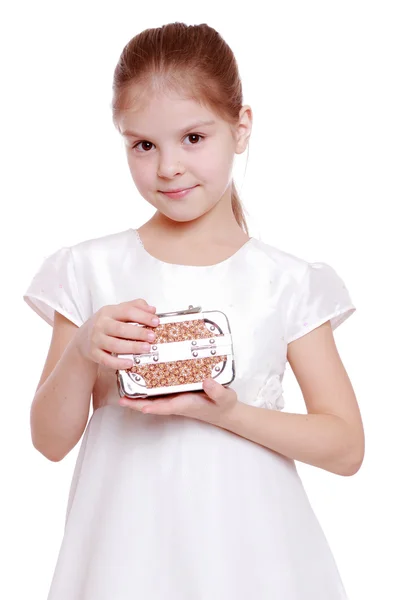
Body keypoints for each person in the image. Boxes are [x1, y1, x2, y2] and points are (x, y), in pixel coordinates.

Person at [23, 21, 364, 600]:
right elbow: (49, 441)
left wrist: (225, 413)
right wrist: (84, 351)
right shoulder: (88, 271)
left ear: (241, 127)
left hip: (258, 562)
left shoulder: (287, 282)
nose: (168, 167)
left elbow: (346, 446)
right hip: (122, 562)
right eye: (144, 145)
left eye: (194, 138)